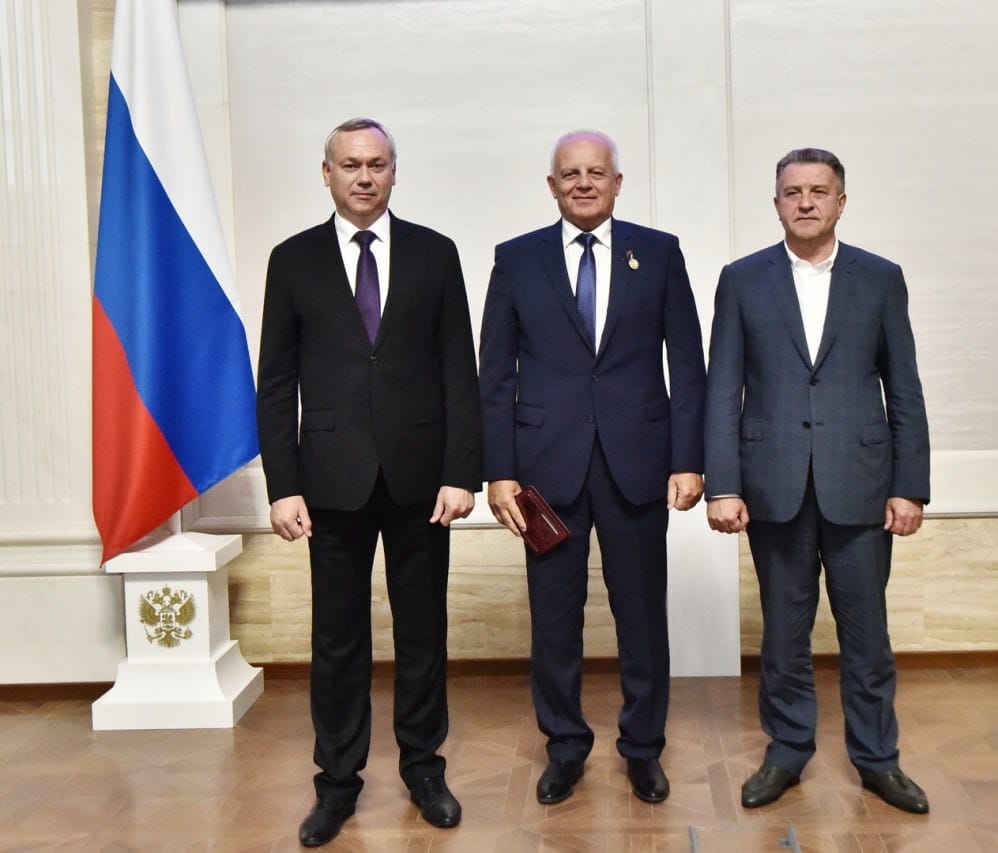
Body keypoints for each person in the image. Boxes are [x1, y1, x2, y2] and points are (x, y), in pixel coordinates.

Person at [256, 118, 481, 846]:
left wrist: (462, 473)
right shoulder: (291, 260)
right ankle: (337, 783)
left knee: (423, 634)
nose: (363, 176)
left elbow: (460, 371)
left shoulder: (436, 253)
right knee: (337, 640)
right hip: (329, 481)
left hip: (422, 479)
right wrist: (282, 484)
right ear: (326, 173)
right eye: (350, 164)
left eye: (376, 164)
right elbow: (275, 382)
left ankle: (424, 769)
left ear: (393, 172)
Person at [478, 130, 706, 806]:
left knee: (642, 618)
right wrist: (499, 470)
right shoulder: (516, 259)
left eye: (596, 172)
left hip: (639, 464)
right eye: (570, 174)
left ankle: (643, 748)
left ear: (617, 182)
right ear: (552, 186)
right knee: (554, 620)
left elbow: (687, 365)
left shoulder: (659, 253)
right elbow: (496, 374)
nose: (584, 183)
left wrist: (689, 460)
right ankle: (565, 746)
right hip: (543, 472)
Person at [703, 148, 931, 814]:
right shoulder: (742, 279)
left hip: (862, 485)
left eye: (819, 191)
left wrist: (910, 485)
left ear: (840, 202)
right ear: (776, 202)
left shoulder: (880, 278)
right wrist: (723, 484)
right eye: (793, 191)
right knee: (783, 636)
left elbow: (905, 388)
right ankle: (786, 751)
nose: (805, 202)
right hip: (772, 485)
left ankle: (878, 760)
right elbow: (722, 389)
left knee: (867, 637)